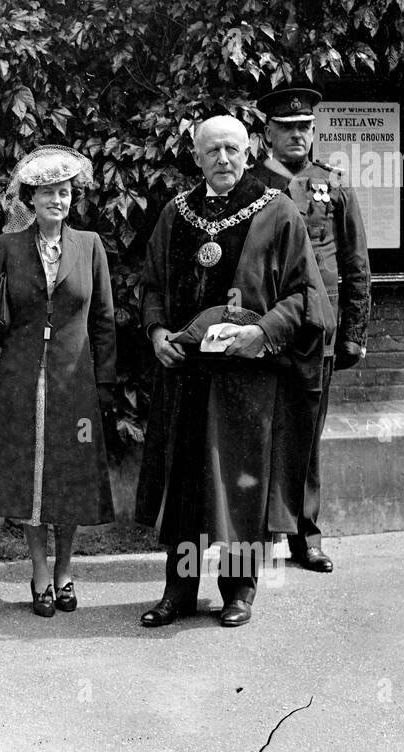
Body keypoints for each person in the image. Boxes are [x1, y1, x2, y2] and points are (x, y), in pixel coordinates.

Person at [135, 116, 330, 628]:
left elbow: (305, 295)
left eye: (233, 149)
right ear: (195, 156)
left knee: (242, 484)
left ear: (250, 152)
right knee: (186, 486)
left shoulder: (277, 210)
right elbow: (152, 284)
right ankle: (178, 592)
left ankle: (239, 591)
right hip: (186, 375)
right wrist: (157, 333)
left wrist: (263, 332)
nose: (224, 159)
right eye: (212, 150)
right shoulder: (176, 214)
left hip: (247, 376)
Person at [0, 146, 117, 617]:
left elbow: (104, 319)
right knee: (29, 476)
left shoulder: (90, 245)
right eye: (48, 192)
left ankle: (66, 572)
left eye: (65, 191)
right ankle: (38, 574)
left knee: (69, 474)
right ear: (30, 199)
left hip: (74, 380)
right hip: (20, 377)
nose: (58, 199)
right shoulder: (7, 247)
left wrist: (106, 383)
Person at [252, 86, 371, 573]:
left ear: (314, 131)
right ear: (268, 134)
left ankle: (306, 534)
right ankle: (256, 537)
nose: (297, 135)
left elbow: (355, 262)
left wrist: (354, 332)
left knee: (306, 434)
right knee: (258, 431)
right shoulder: (250, 184)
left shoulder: (334, 185)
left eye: (304, 127)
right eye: (287, 128)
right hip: (260, 327)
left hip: (316, 330)